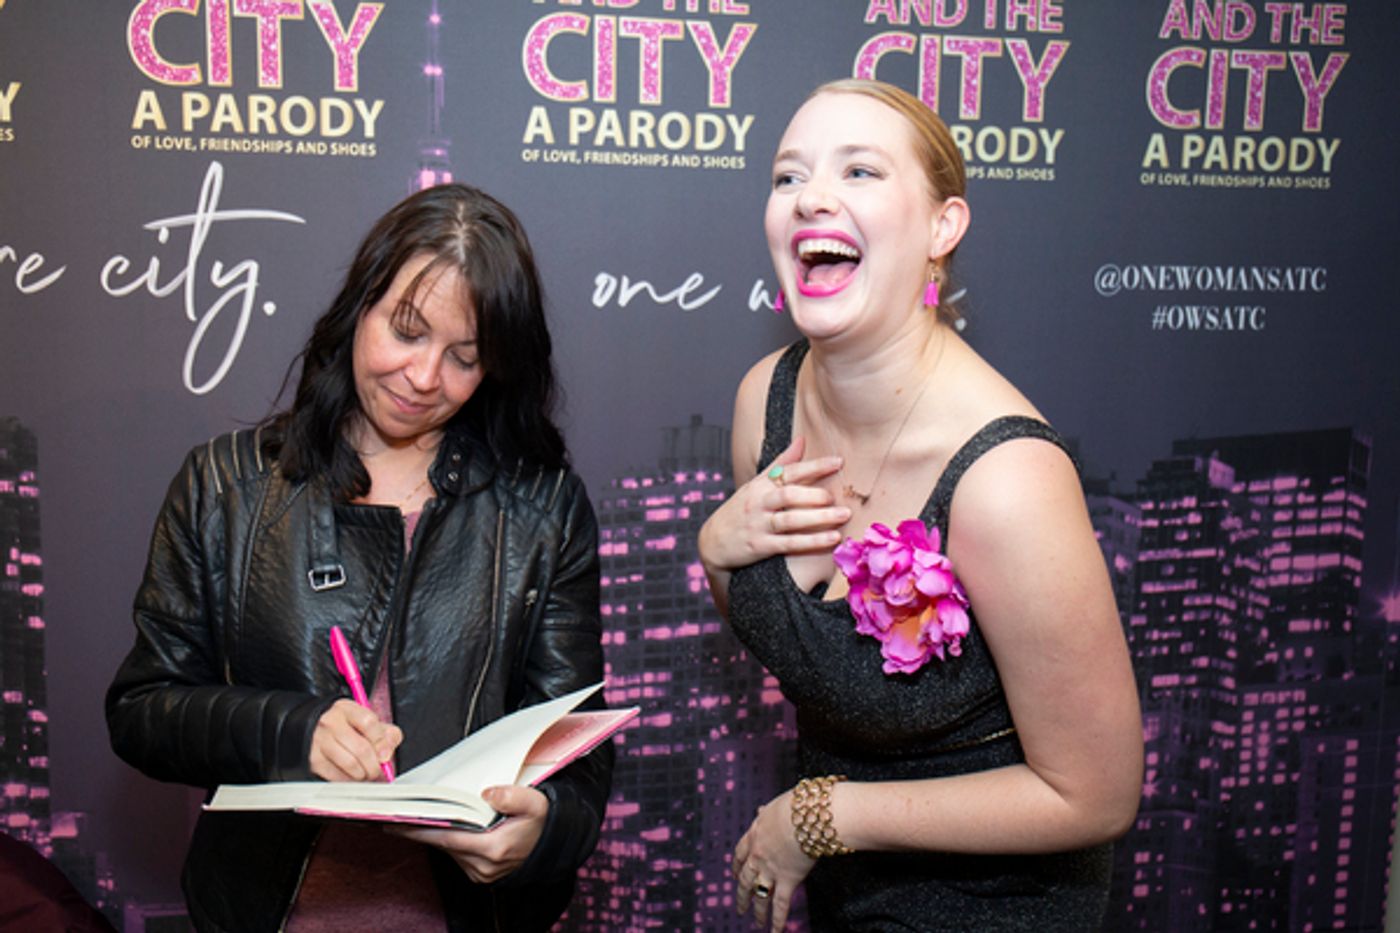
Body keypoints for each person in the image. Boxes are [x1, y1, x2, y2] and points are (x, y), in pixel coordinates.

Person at [697, 79, 1144, 932]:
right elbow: (793, 633)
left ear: (943, 227)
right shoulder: (767, 401)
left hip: (993, 903)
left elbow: (1095, 793)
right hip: (842, 882)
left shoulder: (1005, 475)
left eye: (859, 171)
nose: (811, 198)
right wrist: (718, 550)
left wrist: (824, 816)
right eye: (787, 177)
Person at [106, 183, 611, 932]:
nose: (424, 378)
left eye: (464, 357)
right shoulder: (226, 486)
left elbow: (578, 755)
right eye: (406, 332)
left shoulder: (543, 511)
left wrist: (544, 831)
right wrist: (294, 731)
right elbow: (142, 710)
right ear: (358, 310)